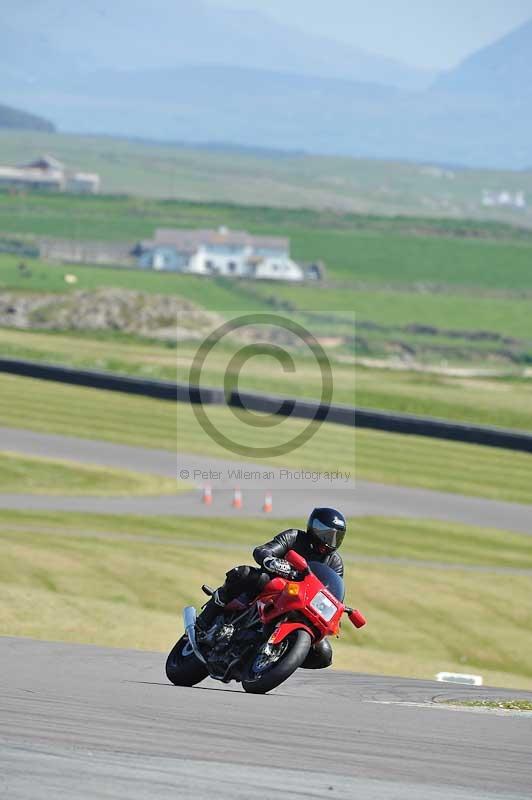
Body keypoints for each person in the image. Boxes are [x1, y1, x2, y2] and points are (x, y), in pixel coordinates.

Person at [197, 507, 346, 670]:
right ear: (314, 528)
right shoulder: (294, 537)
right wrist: (271, 561)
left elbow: (332, 591)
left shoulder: (335, 562)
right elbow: (263, 550)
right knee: (243, 574)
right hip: (274, 586)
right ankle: (205, 620)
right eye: (326, 534)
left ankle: (280, 656)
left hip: (304, 601)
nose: (329, 541)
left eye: (336, 537)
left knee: (323, 654)